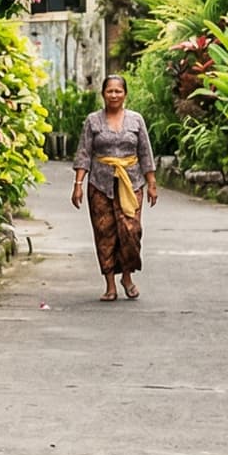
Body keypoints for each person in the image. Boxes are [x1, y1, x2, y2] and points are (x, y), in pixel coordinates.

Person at [71, 75, 159, 301]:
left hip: (131, 183)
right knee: (105, 233)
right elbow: (84, 154)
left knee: (130, 231)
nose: (114, 95)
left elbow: (145, 153)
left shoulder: (136, 120)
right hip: (100, 184)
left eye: (118, 91)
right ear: (103, 94)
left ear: (125, 94)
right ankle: (110, 284)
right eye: (110, 91)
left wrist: (151, 183)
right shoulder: (93, 121)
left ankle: (127, 277)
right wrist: (78, 185)